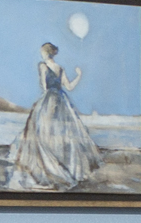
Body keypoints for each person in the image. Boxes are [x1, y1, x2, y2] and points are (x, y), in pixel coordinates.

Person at [10, 40, 99, 190]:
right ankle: (62, 166)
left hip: (48, 101)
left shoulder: (42, 66)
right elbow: (69, 87)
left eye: (42, 52)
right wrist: (79, 75)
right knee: (61, 134)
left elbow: (44, 86)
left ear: (45, 53)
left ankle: (47, 167)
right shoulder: (60, 68)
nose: (41, 55)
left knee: (41, 132)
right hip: (61, 101)